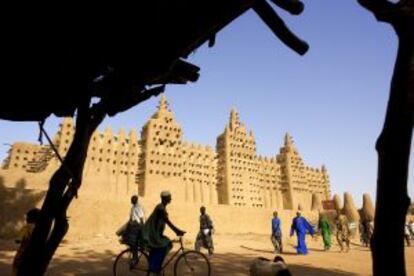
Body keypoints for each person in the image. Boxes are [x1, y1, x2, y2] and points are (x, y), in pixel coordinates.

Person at [142, 191, 185, 275]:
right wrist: (177, 231)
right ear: (165, 198)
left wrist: (177, 231)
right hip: (152, 234)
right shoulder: (161, 208)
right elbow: (167, 222)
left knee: (163, 245)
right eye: (169, 197)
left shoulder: (162, 207)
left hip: (156, 233)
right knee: (165, 244)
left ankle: (155, 267)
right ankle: (155, 268)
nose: (170, 199)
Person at [12, 208, 41, 276]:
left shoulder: (26, 228)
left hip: (23, 253)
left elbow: (18, 240)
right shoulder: (40, 228)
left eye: (27, 217)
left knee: (17, 269)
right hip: (36, 254)